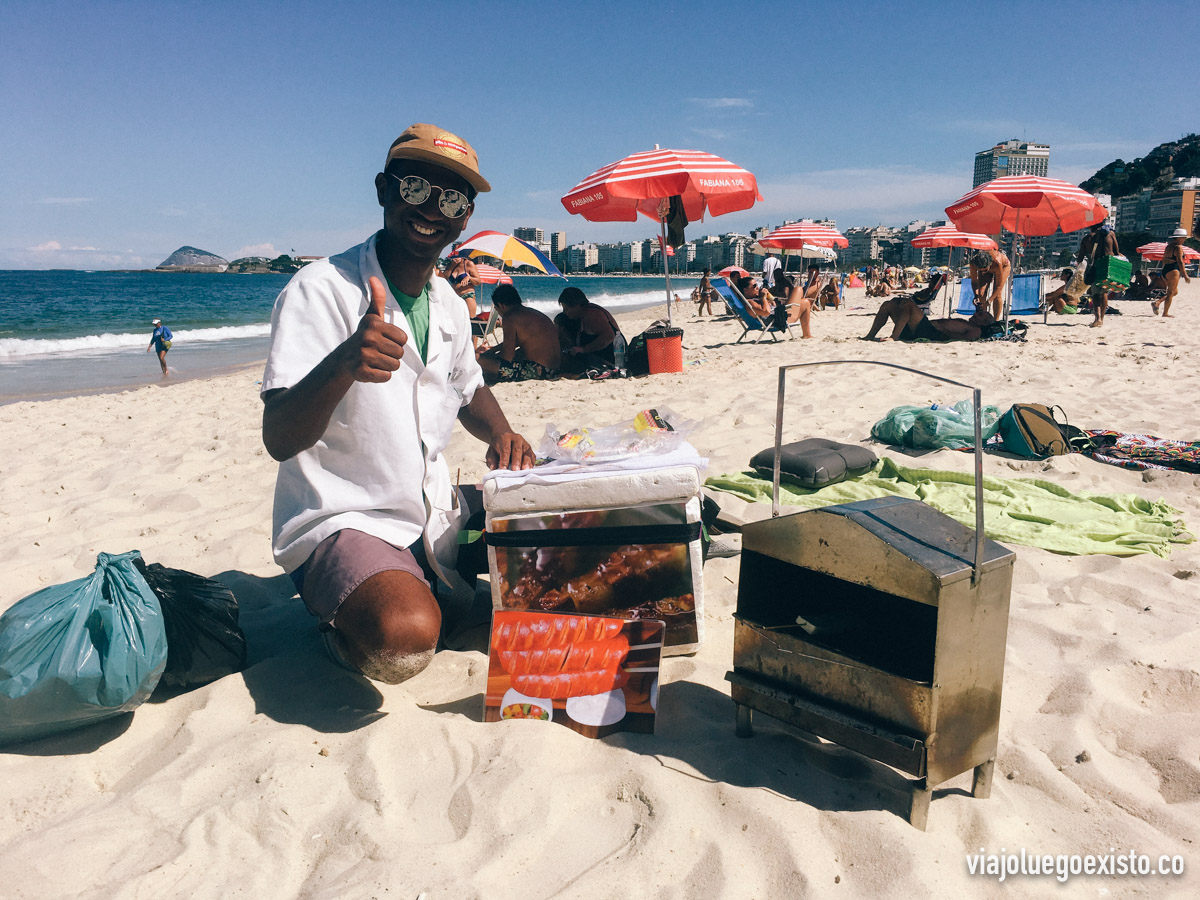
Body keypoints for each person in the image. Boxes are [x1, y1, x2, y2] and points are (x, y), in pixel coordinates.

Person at [260, 123, 535, 685]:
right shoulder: (321, 290)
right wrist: (343, 363)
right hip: (347, 513)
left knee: (563, 524)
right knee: (405, 634)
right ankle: (350, 616)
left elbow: (468, 387)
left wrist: (503, 435)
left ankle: (427, 577)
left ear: (465, 217)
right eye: (415, 189)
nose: (431, 209)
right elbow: (279, 437)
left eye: (452, 199)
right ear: (384, 189)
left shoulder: (450, 305)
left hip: (432, 501)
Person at [476, 284, 560, 383]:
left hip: (538, 372)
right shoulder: (533, 313)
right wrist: (493, 350)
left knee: (477, 359)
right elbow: (518, 341)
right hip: (554, 370)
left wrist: (487, 357)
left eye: (496, 309)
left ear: (501, 305)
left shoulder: (510, 317)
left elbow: (507, 358)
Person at [864, 295, 996, 342]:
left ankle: (894, 337)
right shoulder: (965, 323)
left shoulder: (976, 330)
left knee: (909, 304)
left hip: (930, 331)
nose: (975, 314)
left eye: (979, 315)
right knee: (888, 305)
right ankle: (870, 335)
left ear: (983, 323)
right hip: (924, 328)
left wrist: (943, 331)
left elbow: (963, 339)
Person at [555, 286, 622, 375]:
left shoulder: (592, 315)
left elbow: (609, 336)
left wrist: (584, 349)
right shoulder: (584, 314)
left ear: (577, 305)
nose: (564, 312)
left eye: (566, 309)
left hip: (614, 358)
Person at [1077, 220, 1120, 327]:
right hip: (1108, 265)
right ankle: (1102, 318)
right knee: (1104, 292)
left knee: (1095, 294)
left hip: (1096, 265)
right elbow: (1116, 251)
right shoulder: (1110, 234)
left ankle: (1097, 318)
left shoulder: (1087, 238)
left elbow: (1080, 257)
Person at [1155, 227, 1193, 317]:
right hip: (1173, 270)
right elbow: (1180, 261)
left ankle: (1158, 302)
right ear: (1179, 238)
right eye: (1184, 238)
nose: (1184, 240)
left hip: (1166, 269)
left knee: (1174, 292)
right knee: (1171, 292)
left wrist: (1163, 271)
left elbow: (1164, 259)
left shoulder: (1169, 246)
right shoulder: (1178, 247)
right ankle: (1165, 313)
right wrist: (1185, 275)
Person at [769, 270, 814, 337]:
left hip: (781, 309)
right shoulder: (782, 282)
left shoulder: (783, 282)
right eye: (755, 286)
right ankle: (807, 335)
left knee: (805, 302)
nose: (776, 276)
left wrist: (769, 294)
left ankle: (807, 335)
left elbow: (785, 294)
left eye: (778, 274)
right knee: (799, 290)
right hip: (781, 315)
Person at [972, 248, 1010, 320]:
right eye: (980, 271)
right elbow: (974, 281)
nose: (983, 272)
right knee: (981, 293)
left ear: (989, 264)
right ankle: (984, 318)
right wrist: (976, 296)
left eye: (985, 270)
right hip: (987, 266)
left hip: (1004, 266)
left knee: (997, 295)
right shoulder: (973, 263)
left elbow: (999, 286)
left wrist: (990, 300)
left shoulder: (997, 262)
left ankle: (996, 320)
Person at [439, 254, 480, 319]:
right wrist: (452, 266)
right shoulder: (451, 265)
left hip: (467, 295)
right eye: (455, 253)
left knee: (470, 319)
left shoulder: (469, 264)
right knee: (454, 320)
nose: (457, 256)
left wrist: (469, 278)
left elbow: (478, 281)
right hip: (454, 297)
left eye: (458, 253)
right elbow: (443, 279)